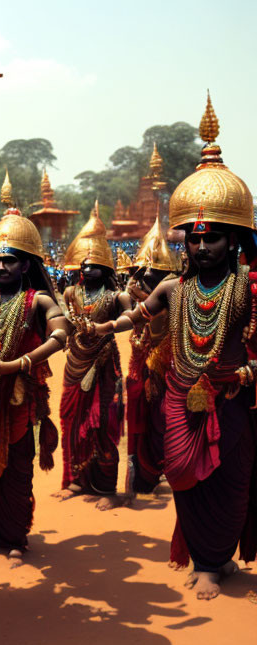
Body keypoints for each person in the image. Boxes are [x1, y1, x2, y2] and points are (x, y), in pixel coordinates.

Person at [96, 95, 257, 599]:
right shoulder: (174, 289)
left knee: (231, 482)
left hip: (230, 401)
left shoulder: (249, 288)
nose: (202, 247)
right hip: (178, 397)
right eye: (193, 238)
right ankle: (208, 558)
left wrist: (246, 375)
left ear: (234, 240)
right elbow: (136, 316)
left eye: (214, 238)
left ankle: (214, 561)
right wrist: (99, 329)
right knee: (185, 477)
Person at [0, 173, 68, 567]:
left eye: (10, 260)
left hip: (21, 395)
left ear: (26, 264)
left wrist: (20, 363)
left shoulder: (38, 299)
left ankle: (17, 540)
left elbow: (61, 336)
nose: (2, 265)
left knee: (18, 467)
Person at [55, 202, 132, 510]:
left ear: (107, 269)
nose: (87, 270)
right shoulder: (71, 293)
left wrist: (107, 326)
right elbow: (63, 321)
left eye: (94, 266)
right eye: (84, 266)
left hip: (104, 366)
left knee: (103, 422)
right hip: (75, 364)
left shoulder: (116, 296)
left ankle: (106, 487)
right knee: (71, 420)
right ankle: (76, 479)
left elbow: (133, 317)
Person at [124, 212, 178, 495]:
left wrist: (142, 298)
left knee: (164, 418)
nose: (143, 278)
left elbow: (155, 318)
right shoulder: (142, 297)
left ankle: (163, 466)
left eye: (150, 275)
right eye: (143, 274)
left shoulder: (172, 295)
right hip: (142, 366)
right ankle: (144, 473)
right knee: (139, 413)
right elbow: (135, 320)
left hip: (167, 368)